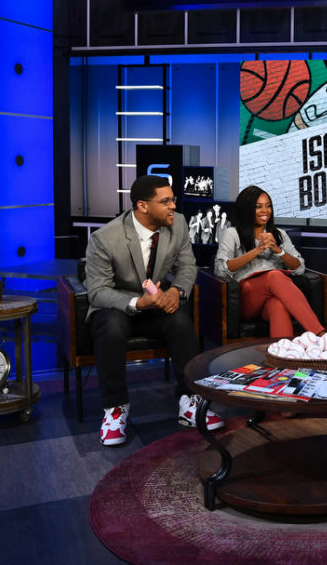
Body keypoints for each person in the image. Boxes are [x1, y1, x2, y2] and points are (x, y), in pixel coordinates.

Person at [84, 175, 224, 446]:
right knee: (110, 328)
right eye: (166, 201)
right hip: (119, 305)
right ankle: (115, 409)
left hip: (157, 303)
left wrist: (176, 291)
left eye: (173, 199)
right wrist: (138, 303)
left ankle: (189, 400)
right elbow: (97, 291)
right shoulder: (105, 238)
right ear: (143, 206)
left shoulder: (178, 223)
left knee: (181, 321)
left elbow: (187, 265)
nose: (174, 206)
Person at [214, 185, 325, 338]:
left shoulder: (280, 234)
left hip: (275, 294)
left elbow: (299, 268)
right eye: (258, 206)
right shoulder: (232, 233)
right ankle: (320, 334)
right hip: (248, 298)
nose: (265, 211)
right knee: (275, 275)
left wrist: (278, 250)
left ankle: (283, 352)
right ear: (246, 209)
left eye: (268, 206)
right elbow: (220, 270)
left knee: (278, 306)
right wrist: (257, 250)